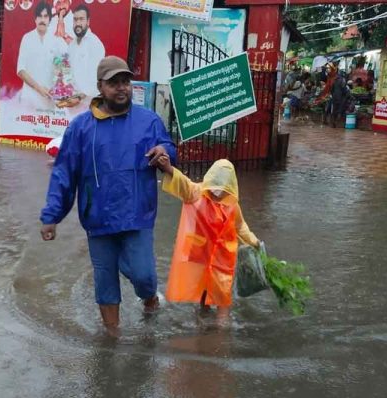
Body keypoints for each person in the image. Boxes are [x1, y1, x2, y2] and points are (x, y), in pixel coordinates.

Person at [39, 56, 176, 335]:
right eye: (114, 83)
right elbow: (64, 173)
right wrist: (51, 216)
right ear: (100, 86)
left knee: (143, 274)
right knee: (105, 281)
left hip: (137, 214)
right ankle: (111, 339)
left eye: (125, 81)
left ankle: (149, 298)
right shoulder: (80, 128)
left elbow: (167, 144)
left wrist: (164, 153)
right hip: (98, 218)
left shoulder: (148, 121)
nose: (121, 88)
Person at [155, 157, 260, 321]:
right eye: (215, 188)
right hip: (200, 255)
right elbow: (182, 183)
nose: (217, 193)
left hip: (223, 259)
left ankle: (220, 331)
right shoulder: (197, 193)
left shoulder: (232, 204)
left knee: (222, 296)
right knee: (203, 294)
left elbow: (240, 227)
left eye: (222, 189)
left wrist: (254, 242)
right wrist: (168, 168)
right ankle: (204, 320)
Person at [17, 2, 67, 107]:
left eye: (45, 16)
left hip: (49, 100)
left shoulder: (56, 41)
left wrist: (56, 87)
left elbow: (62, 67)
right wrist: (39, 89)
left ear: (49, 20)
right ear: (35, 19)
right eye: (39, 16)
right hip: (29, 99)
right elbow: (21, 70)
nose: (42, 20)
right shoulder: (27, 39)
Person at [67, 5, 104, 97]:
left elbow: (96, 78)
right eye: (75, 19)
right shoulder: (72, 45)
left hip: (89, 102)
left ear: (88, 21)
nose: (78, 23)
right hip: (72, 103)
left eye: (81, 19)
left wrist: (80, 97)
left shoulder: (95, 43)